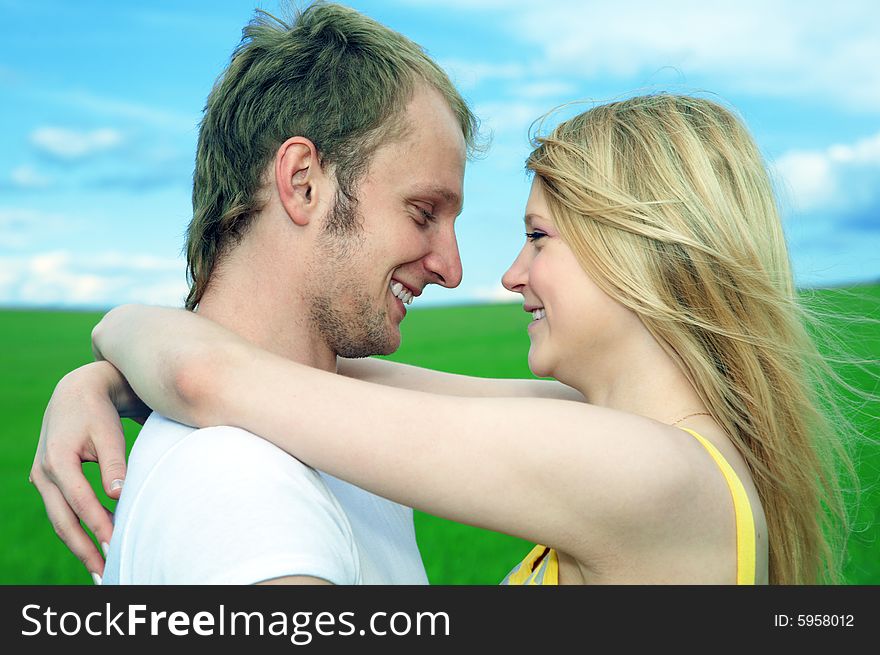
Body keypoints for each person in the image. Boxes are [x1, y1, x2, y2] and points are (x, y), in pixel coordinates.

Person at [36, 93, 855, 584]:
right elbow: (315, 377)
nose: (507, 274)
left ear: (637, 250)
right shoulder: (623, 435)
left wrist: (112, 327)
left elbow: (217, 378)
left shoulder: (653, 474)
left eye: (538, 237)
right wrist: (102, 382)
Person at [28, 1, 518, 585]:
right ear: (302, 182)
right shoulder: (240, 486)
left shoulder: (333, 433)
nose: (452, 268)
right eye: (423, 212)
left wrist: (111, 367)